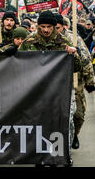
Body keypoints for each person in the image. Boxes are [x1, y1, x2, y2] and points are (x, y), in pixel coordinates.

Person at [19, 10, 82, 166]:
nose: (45, 30)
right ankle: (40, 156)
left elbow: (77, 67)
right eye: (42, 26)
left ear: (54, 27)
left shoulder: (64, 42)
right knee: (39, 125)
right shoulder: (29, 41)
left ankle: (61, 155)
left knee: (62, 124)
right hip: (37, 92)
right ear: (38, 26)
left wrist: (73, 55)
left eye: (49, 26)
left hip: (58, 92)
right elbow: (18, 64)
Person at [55, 14, 95, 150]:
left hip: (74, 81)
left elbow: (86, 59)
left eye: (57, 28)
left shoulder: (73, 38)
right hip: (53, 83)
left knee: (78, 114)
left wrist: (90, 81)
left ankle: (74, 134)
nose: (53, 30)